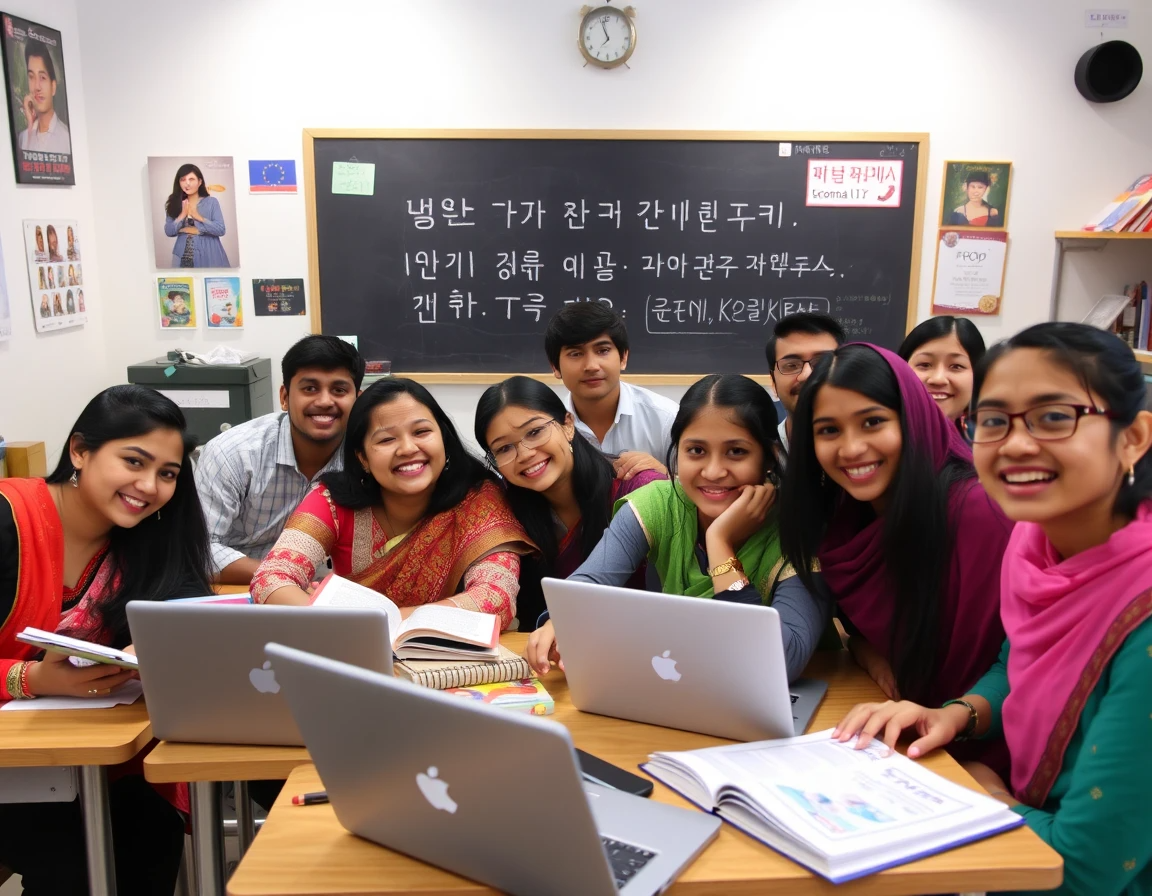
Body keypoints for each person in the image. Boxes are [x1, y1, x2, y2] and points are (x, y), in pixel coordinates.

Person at [835, 323, 1152, 896]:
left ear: (1132, 438)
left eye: (1054, 417)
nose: (1016, 444)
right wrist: (955, 715)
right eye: (994, 420)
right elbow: (1014, 664)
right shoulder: (1035, 547)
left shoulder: (1142, 608)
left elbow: (1080, 869)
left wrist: (979, 791)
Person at [0, 384, 213, 894]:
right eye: (133, 461)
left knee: (147, 829)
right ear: (80, 451)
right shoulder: (11, 518)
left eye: (167, 474)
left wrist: (158, 644)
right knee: (78, 855)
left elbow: (192, 612)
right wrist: (30, 677)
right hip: (16, 764)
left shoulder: (149, 538)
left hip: (89, 764)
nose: (149, 486)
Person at [778, 343, 1011, 766]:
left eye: (872, 422)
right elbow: (862, 626)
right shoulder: (845, 517)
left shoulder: (980, 512)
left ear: (914, 419)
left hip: (988, 750)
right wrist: (869, 655)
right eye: (828, 430)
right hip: (904, 736)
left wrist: (955, 715)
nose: (850, 449)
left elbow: (1026, 658)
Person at [526, 374, 831, 681]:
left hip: (791, 703)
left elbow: (782, 663)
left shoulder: (800, 532)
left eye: (736, 451)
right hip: (684, 687)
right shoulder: (658, 503)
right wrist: (559, 619)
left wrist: (720, 542)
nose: (713, 471)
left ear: (769, 458)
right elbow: (592, 580)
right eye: (696, 451)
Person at [251, 378, 535, 630]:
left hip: (449, 661)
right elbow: (271, 578)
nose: (408, 449)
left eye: (421, 432)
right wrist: (337, 626)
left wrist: (386, 622)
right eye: (387, 439)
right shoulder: (332, 501)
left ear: (444, 441)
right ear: (363, 458)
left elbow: (496, 597)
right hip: (356, 654)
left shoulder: (479, 501)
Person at [476, 376, 667, 631]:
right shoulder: (503, 509)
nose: (524, 454)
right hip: (553, 657)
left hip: (648, 653)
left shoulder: (635, 486)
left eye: (534, 432)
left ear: (568, 424)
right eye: (504, 449)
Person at [196, 334, 364, 585]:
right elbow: (198, 549)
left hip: (321, 595)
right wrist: (282, 577)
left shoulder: (366, 459)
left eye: (339, 390)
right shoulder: (233, 453)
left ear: (358, 400)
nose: (325, 401)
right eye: (310, 388)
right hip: (236, 588)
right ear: (284, 397)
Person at [544, 302, 677, 480]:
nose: (591, 366)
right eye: (575, 354)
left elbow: (700, 491)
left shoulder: (666, 419)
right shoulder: (546, 427)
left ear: (623, 357)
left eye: (603, 350)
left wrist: (665, 477)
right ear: (555, 367)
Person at [765, 312, 846, 456]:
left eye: (823, 362)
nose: (806, 375)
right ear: (773, 382)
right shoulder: (762, 456)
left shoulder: (864, 451)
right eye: (791, 365)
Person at [898, 315, 986, 426]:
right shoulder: (880, 438)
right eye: (924, 365)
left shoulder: (988, 439)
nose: (938, 379)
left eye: (956, 366)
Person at [162, 162, 231, 268]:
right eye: (183, 179)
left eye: (191, 179)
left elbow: (220, 229)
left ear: (199, 182)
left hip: (210, 253)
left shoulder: (211, 202)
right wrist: (182, 216)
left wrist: (198, 218)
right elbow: (169, 231)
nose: (187, 183)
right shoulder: (174, 203)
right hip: (182, 254)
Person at [16, 41, 71, 156]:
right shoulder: (23, 137)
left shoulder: (66, 138)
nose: (36, 87)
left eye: (42, 77)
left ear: (53, 86)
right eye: (31, 77)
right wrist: (30, 126)